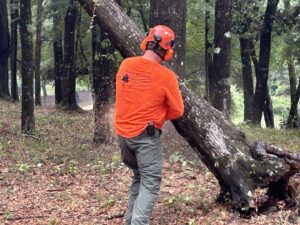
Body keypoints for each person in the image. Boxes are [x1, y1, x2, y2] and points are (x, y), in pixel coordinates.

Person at [114, 25, 184, 225]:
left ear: (147, 42)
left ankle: (130, 221)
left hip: (122, 135)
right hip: (145, 137)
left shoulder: (126, 65)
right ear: (167, 49)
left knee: (138, 176)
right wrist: (160, 114)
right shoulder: (167, 77)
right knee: (151, 183)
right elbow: (178, 110)